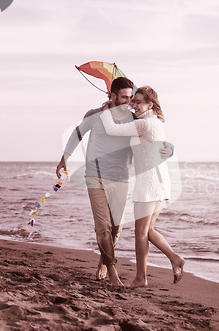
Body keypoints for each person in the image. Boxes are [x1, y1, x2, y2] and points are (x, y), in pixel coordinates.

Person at [56, 77, 173, 286]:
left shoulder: (134, 119)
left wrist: (169, 149)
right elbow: (77, 134)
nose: (129, 102)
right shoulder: (94, 115)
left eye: (131, 98)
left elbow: (153, 136)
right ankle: (112, 270)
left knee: (116, 229)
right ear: (111, 96)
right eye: (124, 97)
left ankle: (104, 261)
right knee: (103, 226)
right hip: (96, 176)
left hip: (121, 177)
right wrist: (64, 158)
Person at [100, 86, 184, 288]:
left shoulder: (146, 124)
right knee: (148, 230)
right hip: (158, 181)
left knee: (140, 232)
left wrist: (105, 111)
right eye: (133, 101)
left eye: (138, 102)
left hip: (149, 183)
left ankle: (141, 277)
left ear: (150, 104)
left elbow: (111, 129)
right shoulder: (153, 122)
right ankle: (174, 259)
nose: (133, 105)